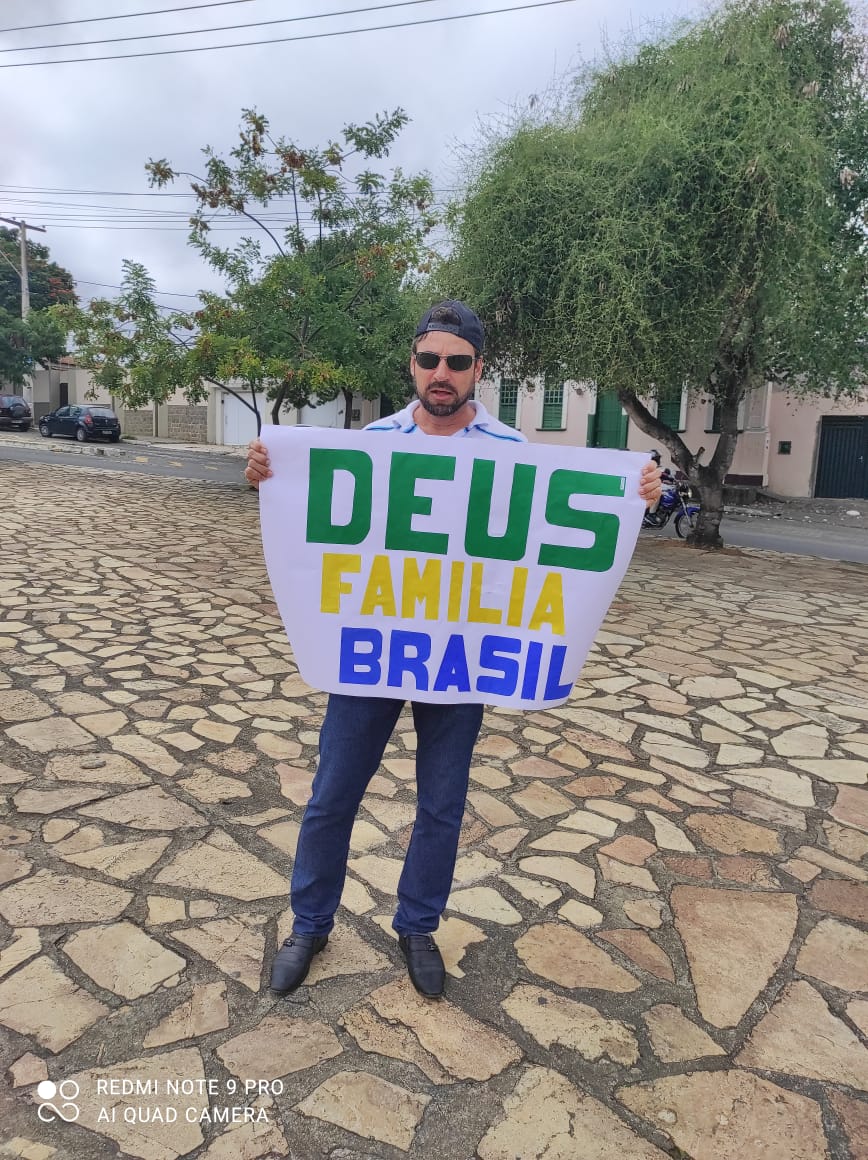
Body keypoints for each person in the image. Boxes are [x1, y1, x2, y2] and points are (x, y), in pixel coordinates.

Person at [245, 300, 663, 999]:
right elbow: (313, 514)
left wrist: (634, 494)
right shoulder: (373, 442)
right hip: (373, 650)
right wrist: (271, 472)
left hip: (461, 658)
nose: (442, 372)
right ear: (412, 363)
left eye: (458, 361)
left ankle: (417, 926)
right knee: (331, 795)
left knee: (442, 803)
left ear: (478, 369)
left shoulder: (513, 452)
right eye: (430, 359)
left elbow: (549, 539)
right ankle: (310, 925)